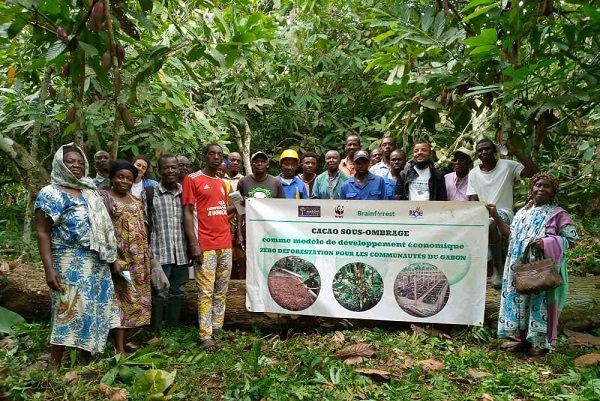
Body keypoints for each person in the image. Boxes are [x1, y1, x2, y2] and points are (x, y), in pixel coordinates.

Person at [35, 143, 120, 368]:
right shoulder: (50, 193)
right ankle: (55, 362)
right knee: (67, 308)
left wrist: (112, 261)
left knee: (93, 309)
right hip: (68, 259)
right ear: (59, 163)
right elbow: (43, 232)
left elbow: (104, 229)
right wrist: (49, 270)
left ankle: (85, 359)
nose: (75, 165)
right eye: (70, 161)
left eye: (80, 162)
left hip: (96, 261)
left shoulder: (90, 190)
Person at [487, 173, 579, 356]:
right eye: (538, 185)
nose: (541, 189)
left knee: (540, 303)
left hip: (541, 268)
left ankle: (542, 346)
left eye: (546, 186)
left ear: (553, 191)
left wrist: (546, 243)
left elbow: (572, 240)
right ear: (531, 188)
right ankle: (523, 342)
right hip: (517, 266)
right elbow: (510, 235)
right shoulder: (522, 212)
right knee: (520, 302)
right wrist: (496, 217)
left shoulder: (558, 214)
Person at [183, 144, 235, 351]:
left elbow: (221, 211)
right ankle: (205, 335)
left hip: (225, 243)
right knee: (205, 291)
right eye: (212, 154)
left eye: (220, 155)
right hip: (205, 245)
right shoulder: (192, 179)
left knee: (221, 289)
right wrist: (193, 243)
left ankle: (217, 327)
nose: (216, 158)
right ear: (204, 156)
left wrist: (242, 206)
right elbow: (187, 212)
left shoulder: (223, 184)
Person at [467, 138, 539, 287]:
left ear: (494, 150)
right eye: (480, 150)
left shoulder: (507, 166)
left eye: (487, 148)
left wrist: (517, 153)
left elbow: (534, 173)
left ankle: (498, 268)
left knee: (491, 224)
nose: (484, 152)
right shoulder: (473, 173)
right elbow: (473, 199)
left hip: (504, 212)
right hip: (483, 213)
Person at [100, 160, 152, 356]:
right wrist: (112, 259)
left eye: (129, 178)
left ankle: (127, 340)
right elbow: (103, 231)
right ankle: (118, 348)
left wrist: (149, 255)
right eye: (120, 177)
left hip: (139, 258)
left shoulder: (136, 200)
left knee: (135, 300)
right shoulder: (105, 198)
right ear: (112, 177)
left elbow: (142, 226)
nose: (124, 181)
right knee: (121, 301)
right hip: (120, 258)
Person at [141, 155, 188, 331]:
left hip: (182, 253)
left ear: (179, 169)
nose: (170, 171)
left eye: (173, 167)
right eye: (166, 168)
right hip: (159, 251)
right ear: (159, 170)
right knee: (158, 292)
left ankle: (172, 328)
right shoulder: (150, 193)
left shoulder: (186, 193)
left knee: (177, 291)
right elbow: (144, 223)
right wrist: (147, 250)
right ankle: (155, 330)